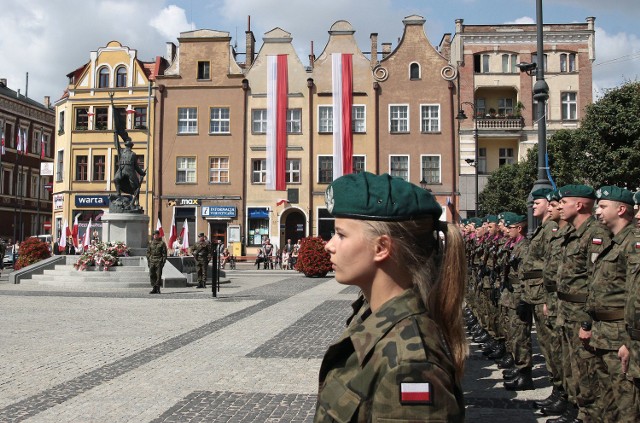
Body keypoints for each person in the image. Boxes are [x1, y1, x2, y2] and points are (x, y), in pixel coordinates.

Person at [314, 172, 465, 422]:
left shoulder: (411, 366)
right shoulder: (371, 314)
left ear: (381, 247)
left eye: (341, 234)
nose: (329, 245)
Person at [581, 186, 637, 421]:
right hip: (602, 335)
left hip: (619, 339)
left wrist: (630, 342)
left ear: (621, 209)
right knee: (606, 404)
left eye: (603, 206)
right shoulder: (611, 242)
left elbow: (636, 298)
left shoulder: (633, 242)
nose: (597, 211)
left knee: (627, 408)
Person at [113, 138, 146, 206]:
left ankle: (137, 201)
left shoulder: (133, 154)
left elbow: (136, 166)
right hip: (122, 168)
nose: (128, 148)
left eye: (129, 146)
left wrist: (141, 173)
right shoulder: (121, 151)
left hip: (130, 169)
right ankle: (118, 193)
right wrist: (115, 134)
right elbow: (117, 144)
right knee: (116, 179)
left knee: (135, 185)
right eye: (128, 146)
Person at [146, 230, 167, 294]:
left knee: (158, 275)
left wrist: (163, 261)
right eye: (154, 235)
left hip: (159, 261)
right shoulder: (150, 243)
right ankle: (154, 287)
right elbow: (148, 252)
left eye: (157, 235)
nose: (156, 236)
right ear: (153, 236)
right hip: (152, 261)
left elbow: (164, 253)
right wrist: (149, 259)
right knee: (152, 275)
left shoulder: (162, 243)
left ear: (159, 235)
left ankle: (158, 288)